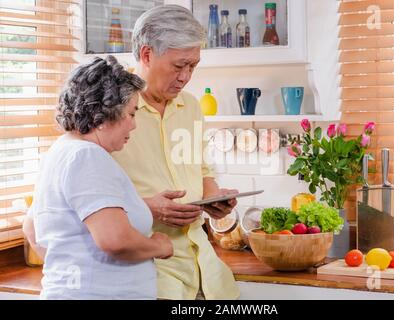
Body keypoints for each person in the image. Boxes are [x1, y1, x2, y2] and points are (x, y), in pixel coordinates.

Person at [112, 5, 240, 300]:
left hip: (205, 270)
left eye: (193, 66)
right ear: (146, 55)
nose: (186, 77)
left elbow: (202, 170)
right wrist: (148, 207)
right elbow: (87, 196)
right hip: (152, 271)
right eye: (178, 65)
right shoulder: (111, 112)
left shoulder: (191, 106)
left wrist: (214, 198)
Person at [22, 55, 173, 299]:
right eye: (132, 114)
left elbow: (31, 228)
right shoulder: (87, 157)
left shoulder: (62, 150)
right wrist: (160, 246)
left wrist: (70, 271)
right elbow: (116, 240)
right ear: (103, 117)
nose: (134, 126)